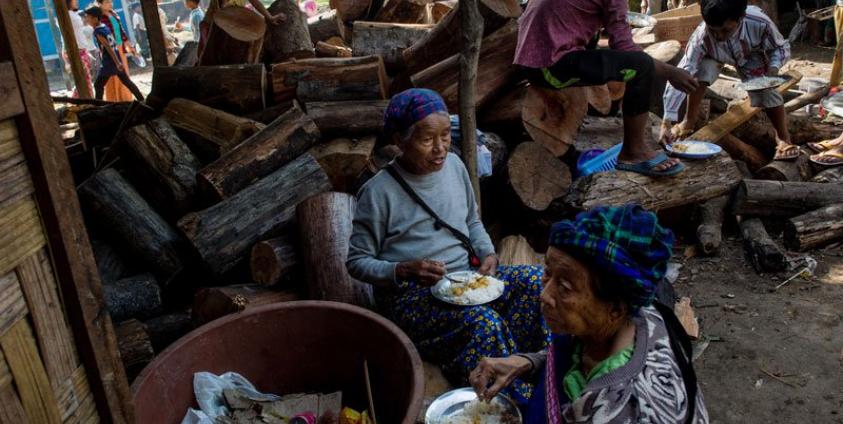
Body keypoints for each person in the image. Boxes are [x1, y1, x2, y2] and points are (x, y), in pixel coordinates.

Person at [346, 89, 550, 403]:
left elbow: (471, 221)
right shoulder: (378, 193)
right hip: (411, 298)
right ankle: (513, 401)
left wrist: (488, 253)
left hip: (465, 281)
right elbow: (357, 261)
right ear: (400, 141)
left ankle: (542, 367)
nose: (440, 148)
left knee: (537, 283)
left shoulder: (454, 165)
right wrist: (401, 269)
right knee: (484, 323)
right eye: (428, 139)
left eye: (445, 135)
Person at [469, 205, 710, 423]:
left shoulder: (619, 411)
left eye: (564, 288)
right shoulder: (633, 316)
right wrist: (528, 362)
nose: (544, 295)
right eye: (547, 273)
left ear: (615, 309)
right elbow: (572, 355)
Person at [515, 0, 699, 177]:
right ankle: (634, 152)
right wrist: (670, 72)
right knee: (641, 66)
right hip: (548, 65)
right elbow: (625, 47)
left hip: (532, 59)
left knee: (619, 60)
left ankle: (629, 138)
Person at [660, 0, 796, 161]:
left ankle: (783, 137)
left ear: (741, 18)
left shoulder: (759, 23)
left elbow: (780, 47)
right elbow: (682, 74)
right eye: (714, 31)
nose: (719, 37)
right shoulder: (701, 36)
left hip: (751, 54)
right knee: (700, 73)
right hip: (714, 55)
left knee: (766, 90)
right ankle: (689, 121)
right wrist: (666, 121)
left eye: (726, 30)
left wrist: (772, 70)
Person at [83, 6, 144, 101]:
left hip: (109, 61)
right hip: (116, 58)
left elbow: (108, 47)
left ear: (95, 18)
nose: (86, 20)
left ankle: (98, 106)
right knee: (126, 81)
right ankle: (141, 99)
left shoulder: (97, 31)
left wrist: (117, 62)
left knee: (98, 84)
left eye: (88, 17)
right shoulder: (104, 27)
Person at [96, 0, 136, 101]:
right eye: (107, 2)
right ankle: (114, 99)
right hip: (110, 49)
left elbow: (120, 30)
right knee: (112, 76)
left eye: (111, 1)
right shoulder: (99, 17)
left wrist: (127, 43)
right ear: (100, 4)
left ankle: (125, 98)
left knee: (123, 73)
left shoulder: (113, 13)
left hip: (120, 47)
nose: (110, 4)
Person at [63, 0, 95, 97]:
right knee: (84, 79)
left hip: (82, 49)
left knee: (85, 79)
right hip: (76, 50)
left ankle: (83, 100)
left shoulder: (74, 14)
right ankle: (81, 100)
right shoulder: (68, 15)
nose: (76, 1)